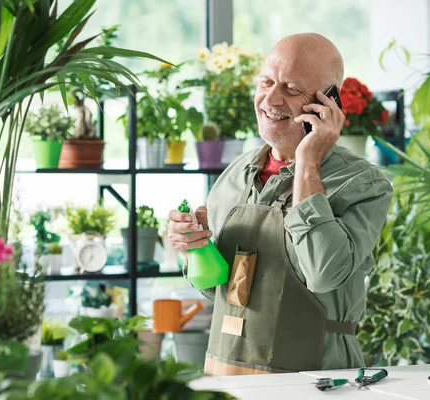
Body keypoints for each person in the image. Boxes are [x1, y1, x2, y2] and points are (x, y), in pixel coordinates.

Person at [167, 33, 393, 375]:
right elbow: (220, 293)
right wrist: (195, 247)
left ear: (328, 102)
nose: (270, 99)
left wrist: (309, 161)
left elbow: (324, 273)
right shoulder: (235, 175)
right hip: (226, 376)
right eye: (266, 82)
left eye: (291, 89)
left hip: (315, 382)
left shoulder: (362, 184)